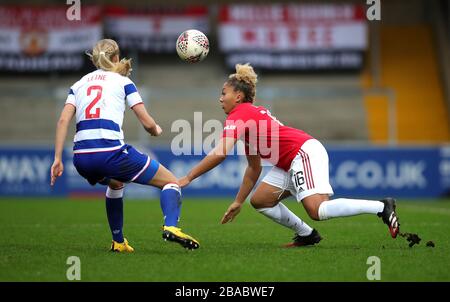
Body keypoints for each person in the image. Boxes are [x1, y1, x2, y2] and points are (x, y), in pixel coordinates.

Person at [180, 63, 400, 247]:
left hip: (303, 153)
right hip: (290, 161)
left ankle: (381, 207)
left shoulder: (241, 114)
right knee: (260, 201)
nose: (220, 99)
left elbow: (220, 154)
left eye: (223, 93)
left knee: (317, 210)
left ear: (238, 96)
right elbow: (253, 168)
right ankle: (307, 235)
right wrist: (239, 201)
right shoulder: (248, 120)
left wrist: (188, 177)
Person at [50, 39, 199, 252]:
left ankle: (118, 242)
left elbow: (63, 121)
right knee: (171, 182)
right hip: (111, 153)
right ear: (116, 58)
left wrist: (57, 158)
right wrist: (155, 129)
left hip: (81, 158)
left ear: (94, 61)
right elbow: (147, 123)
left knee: (115, 184)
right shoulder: (123, 82)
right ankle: (171, 227)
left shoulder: (78, 84)